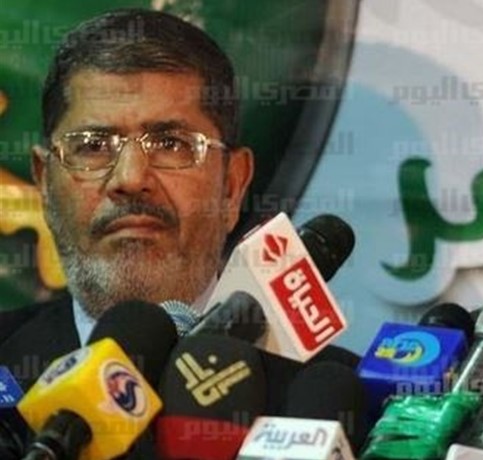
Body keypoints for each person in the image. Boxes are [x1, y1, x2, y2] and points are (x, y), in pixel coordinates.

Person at [0, 10, 357, 386]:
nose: (131, 179)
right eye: (93, 146)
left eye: (171, 144)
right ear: (45, 184)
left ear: (232, 186)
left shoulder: (343, 402)